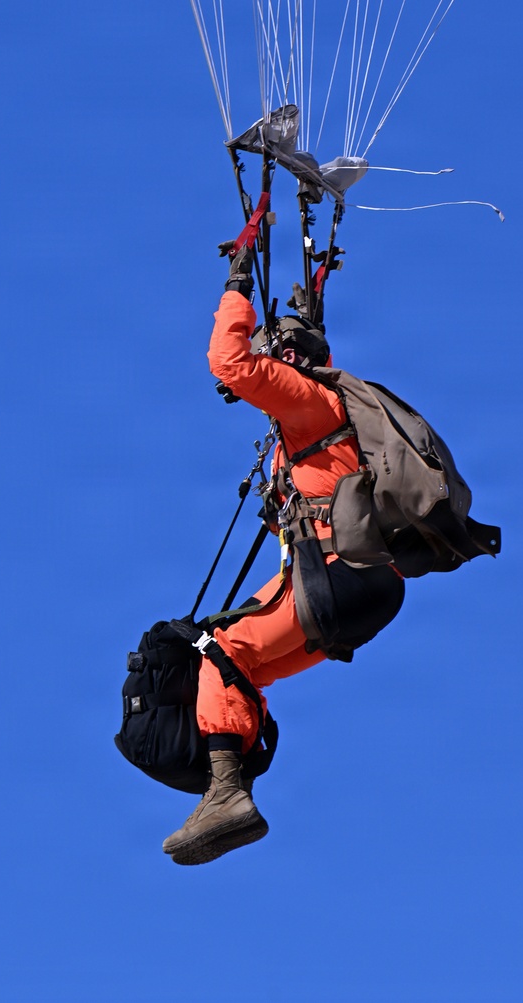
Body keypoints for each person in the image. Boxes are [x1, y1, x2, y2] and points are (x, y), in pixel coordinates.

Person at [162, 247, 406, 866]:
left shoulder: (309, 403)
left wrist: (236, 287)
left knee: (221, 652)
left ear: (289, 362)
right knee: (240, 668)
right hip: (357, 588)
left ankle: (227, 794)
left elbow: (230, 359)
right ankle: (227, 793)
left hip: (335, 579)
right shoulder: (321, 425)